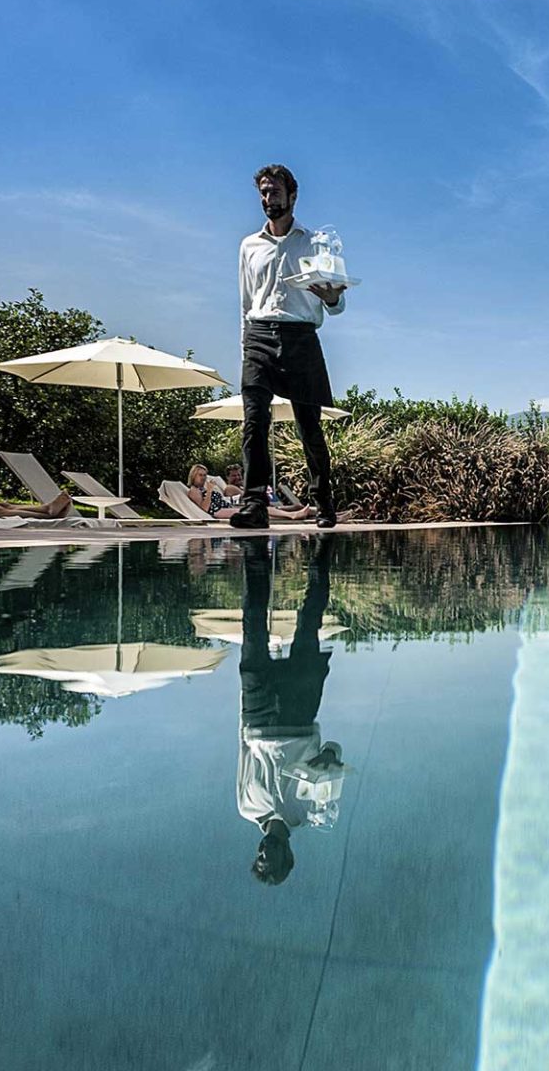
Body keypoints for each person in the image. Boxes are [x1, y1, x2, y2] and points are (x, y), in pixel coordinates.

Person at [234, 164, 345, 530]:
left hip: (300, 338)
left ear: (292, 196)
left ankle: (323, 502)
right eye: (264, 192)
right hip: (259, 336)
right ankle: (253, 504)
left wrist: (331, 299)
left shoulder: (314, 242)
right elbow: (246, 301)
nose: (268, 199)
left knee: (309, 426)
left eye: (275, 192)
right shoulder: (249, 246)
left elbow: (337, 300)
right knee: (254, 423)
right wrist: (244, 346)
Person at [235, 538, 346, 885]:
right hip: (299, 714)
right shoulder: (310, 812)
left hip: (257, 713)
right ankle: (321, 550)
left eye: (260, 859)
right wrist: (329, 759)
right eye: (272, 860)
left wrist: (246, 695)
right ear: (288, 855)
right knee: (308, 619)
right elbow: (335, 751)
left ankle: (255, 550)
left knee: (253, 620)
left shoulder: (247, 807)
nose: (263, 854)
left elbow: (242, 749)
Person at [189, 463, 311, 521]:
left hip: (226, 507)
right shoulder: (194, 490)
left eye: (205, 475)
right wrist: (210, 491)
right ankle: (293, 515)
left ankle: (297, 513)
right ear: (193, 475)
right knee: (259, 509)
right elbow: (204, 509)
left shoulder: (201, 489)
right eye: (200, 475)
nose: (203, 477)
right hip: (219, 511)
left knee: (259, 509)